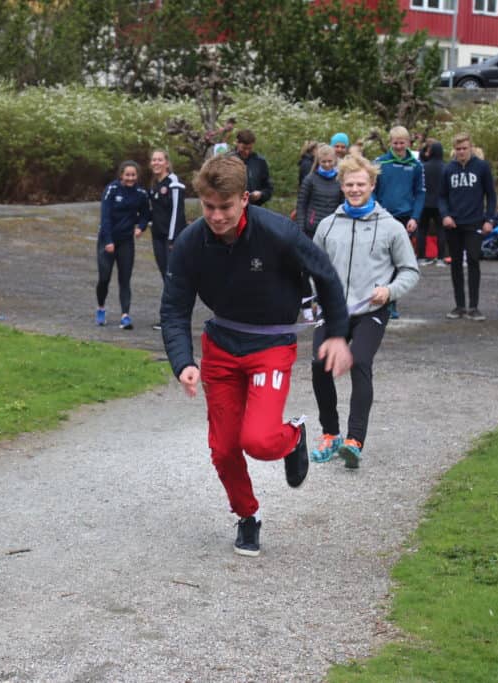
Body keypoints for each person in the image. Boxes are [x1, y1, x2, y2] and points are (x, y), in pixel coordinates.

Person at [160, 154, 353, 558]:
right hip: (222, 348)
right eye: (208, 207)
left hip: (270, 344)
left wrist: (336, 333)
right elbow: (174, 309)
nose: (216, 216)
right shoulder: (191, 243)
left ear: (245, 198)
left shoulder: (278, 232)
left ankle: (293, 435)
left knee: (260, 441)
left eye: (225, 207)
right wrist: (184, 363)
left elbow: (326, 274)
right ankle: (247, 516)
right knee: (224, 448)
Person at [309, 154, 419, 468]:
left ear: (372, 185)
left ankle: (354, 441)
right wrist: (316, 296)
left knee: (359, 362)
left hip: (371, 310)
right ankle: (330, 435)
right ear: (341, 186)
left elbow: (410, 270)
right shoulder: (328, 226)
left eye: (361, 184)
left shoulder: (391, 227)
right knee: (319, 364)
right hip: (333, 312)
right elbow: (314, 266)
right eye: (350, 184)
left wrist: (389, 291)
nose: (355, 189)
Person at [438, 132, 498, 321]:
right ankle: (459, 305)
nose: (461, 152)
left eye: (464, 148)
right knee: (455, 264)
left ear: (470, 147)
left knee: (473, 261)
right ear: (454, 150)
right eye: (458, 149)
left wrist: (489, 219)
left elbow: (492, 195)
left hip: (474, 223)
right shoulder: (448, 169)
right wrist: (445, 215)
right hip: (453, 224)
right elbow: (441, 196)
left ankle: (474, 306)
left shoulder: (482, 167)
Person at [374, 126, 424, 319]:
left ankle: (392, 301)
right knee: (381, 259)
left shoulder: (416, 165)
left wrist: (415, 217)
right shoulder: (380, 162)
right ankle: (380, 299)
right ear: (390, 142)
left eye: (402, 142)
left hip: (405, 218)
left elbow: (420, 192)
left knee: (398, 260)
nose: (398, 146)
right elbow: (373, 190)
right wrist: (376, 212)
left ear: (408, 143)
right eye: (395, 142)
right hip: (383, 216)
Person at [96, 160, 151, 330]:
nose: (130, 178)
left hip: (126, 241)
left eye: (133, 175)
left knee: (125, 279)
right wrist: (108, 241)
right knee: (104, 278)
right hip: (108, 240)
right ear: (121, 175)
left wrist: (141, 227)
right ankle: (101, 308)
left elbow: (145, 214)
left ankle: (125, 315)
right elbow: (104, 217)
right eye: (127, 175)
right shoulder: (111, 190)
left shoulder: (141, 193)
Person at [148, 150, 187, 331]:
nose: (156, 162)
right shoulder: (155, 185)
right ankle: (167, 319)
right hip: (157, 237)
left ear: (166, 163)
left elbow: (176, 213)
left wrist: (173, 238)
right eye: (154, 160)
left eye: (160, 159)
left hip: (170, 239)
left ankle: (174, 319)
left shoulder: (174, 184)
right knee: (165, 276)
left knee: (173, 277)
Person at [295, 144, 343, 238]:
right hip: (311, 229)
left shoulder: (340, 181)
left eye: (330, 161)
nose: (327, 164)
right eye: (323, 162)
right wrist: (301, 229)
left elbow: (342, 205)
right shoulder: (310, 179)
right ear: (318, 161)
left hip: (333, 228)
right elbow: (301, 206)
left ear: (335, 161)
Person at [418, 138, 447, 266]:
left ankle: (421, 257)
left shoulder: (424, 167)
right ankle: (441, 258)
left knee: (422, 230)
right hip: (440, 203)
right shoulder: (445, 168)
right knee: (441, 230)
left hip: (424, 202)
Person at [232, 129, 273, 206]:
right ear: (237, 143)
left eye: (250, 148)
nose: (246, 152)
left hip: (253, 208)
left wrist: (261, 194)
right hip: (233, 208)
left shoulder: (260, 161)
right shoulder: (227, 161)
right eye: (244, 148)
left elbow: (268, 188)